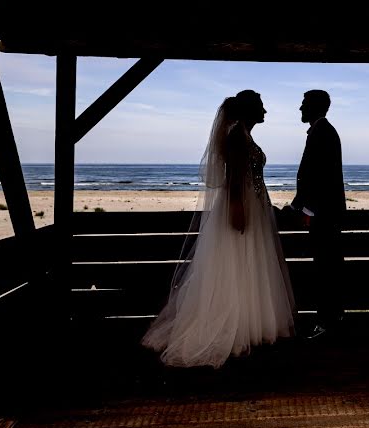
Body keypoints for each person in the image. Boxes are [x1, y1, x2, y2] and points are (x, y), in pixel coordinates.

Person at [142, 90, 296, 368]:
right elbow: (236, 178)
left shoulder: (244, 134)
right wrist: (238, 210)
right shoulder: (237, 136)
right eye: (261, 106)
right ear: (249, 110)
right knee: (238, 263)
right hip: (242, 205)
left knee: (250, 264)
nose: (265, 111)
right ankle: (237, 327)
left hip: (254, 205)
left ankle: (251, 323)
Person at [286, 89, 346, 340]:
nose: (300, 109)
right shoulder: (323, 131)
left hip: (324, 214)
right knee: (327, 266)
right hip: (326, 212)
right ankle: (331, 317)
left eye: (304, 104)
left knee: (325, 267)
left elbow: (320, 176)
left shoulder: (322, 132)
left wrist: (305, 209)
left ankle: (326, 322)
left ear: (315, 107)